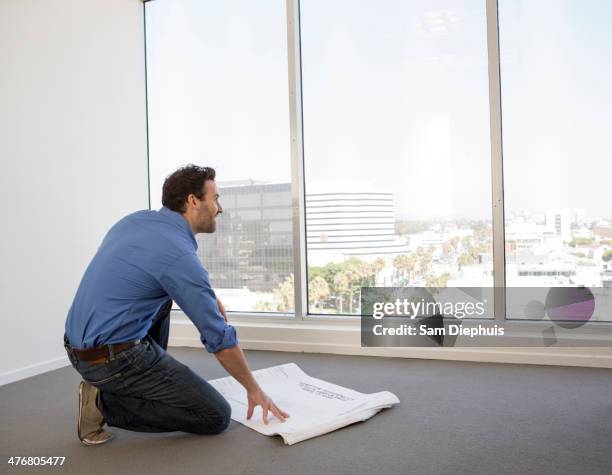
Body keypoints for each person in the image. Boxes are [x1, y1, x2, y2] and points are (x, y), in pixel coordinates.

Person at [63, 165, 289, 445]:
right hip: (112, 360)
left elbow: (138, 274)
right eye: (215, 198)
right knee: (215, 415)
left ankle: (144, 376)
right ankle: (103, 403)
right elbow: (219, 339)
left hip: (76, 347)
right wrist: (255, 390)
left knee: (162, 295)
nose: (219, 208)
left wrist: (208, 296)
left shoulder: (135, 221)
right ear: (193, 201)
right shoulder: (177, 255)